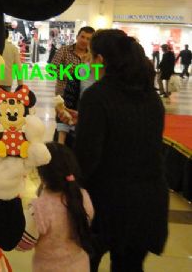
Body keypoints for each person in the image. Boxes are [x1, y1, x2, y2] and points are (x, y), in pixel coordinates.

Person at [74, 29, 168, 272]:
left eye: (92, 56)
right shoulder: (151, 97)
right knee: (129, 266)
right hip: (147, 200)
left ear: (101, 59)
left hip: (106, 201)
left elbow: (87, 157)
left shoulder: (97, 96)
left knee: (86, 263)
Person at [19, 142, 94, 272]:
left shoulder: (38, 209)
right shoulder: (83, 196)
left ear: (41, 174)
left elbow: (23, 244)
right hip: (81, 266)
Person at [51, 26, 95, 96]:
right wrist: (70, 75)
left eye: (88, 39)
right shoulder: (64, 50)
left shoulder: (93, 56)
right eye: (82, 37)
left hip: (84, 94)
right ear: (77, 37)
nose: (84, 41)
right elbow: (52, 69)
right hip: (63, 93)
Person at [0, 27, 23, 91]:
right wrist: (20, 83)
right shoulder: (13, 48)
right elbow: (18, 67)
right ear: (7, 36)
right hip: (6, 82)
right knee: (6, 97)